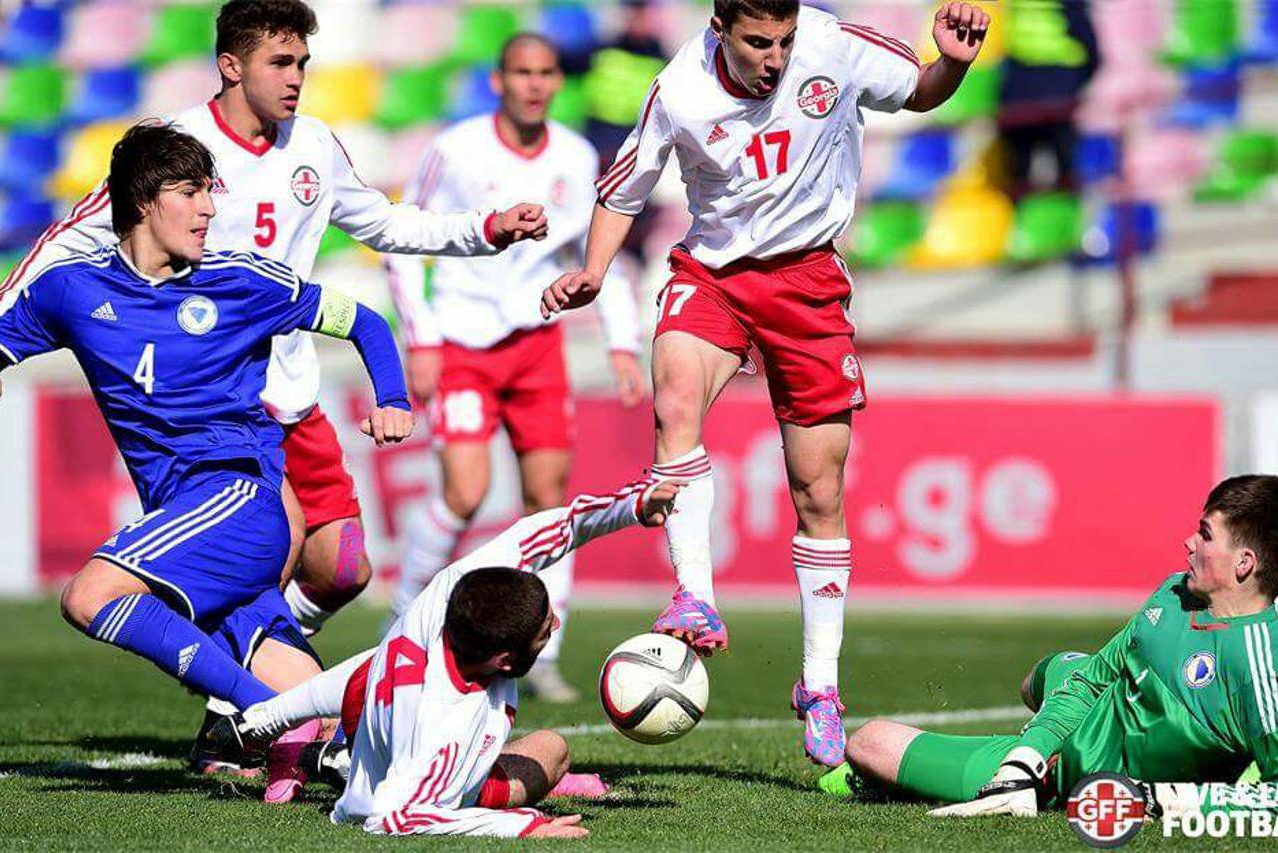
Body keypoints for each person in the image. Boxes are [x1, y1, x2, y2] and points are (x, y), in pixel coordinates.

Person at [0, 0, 546, 772]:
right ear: (231, 65)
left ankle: (248, 706)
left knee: (340, 563)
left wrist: (478, 231)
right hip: (219, 406)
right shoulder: (168, 151)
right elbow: (71, 243)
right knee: (250, 589)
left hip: (277, 401)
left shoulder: (311, 151)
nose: (297, 80)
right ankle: (367, 737)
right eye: (281, 63)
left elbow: (384, 230)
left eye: (303, 64)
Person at [540, 0, 990, 765]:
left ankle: (818, 686)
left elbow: (916, 91)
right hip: (712, 274)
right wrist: (592, 268)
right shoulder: (679, 87)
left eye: (782, 41)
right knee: (674, 399)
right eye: (757, 43)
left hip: (808, 284)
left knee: (818, 492)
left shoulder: (832, 44)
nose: (775, 58)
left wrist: (949, 64)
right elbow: (623, 187)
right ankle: (694, 594)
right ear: (720, 32)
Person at [0, 123, 413, 800]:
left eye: (208, 192)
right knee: (311, 694)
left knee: (90, 596)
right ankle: (448, 758)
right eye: (190, 192)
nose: (209, 210)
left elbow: (363, 319)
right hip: (186, 510)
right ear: (140, 200)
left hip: (239, 497)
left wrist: (392, 397)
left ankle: (263, 720)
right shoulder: (68, 291)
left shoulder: (241, 280)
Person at [384, 32, 644, 703]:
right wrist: (421, 337)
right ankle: (400, 621)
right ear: (498, 81)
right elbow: (404, 241)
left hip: (536, 344)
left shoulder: (576, 154)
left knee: (548, 500)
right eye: (521, 72)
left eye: (546, 72)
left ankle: (546, 651)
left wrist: (622, 340)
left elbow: (593, 252)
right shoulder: (457, 150)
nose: (534, 84)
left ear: (560, 81)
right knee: (465, 493)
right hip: (465, 344)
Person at [231, 476, 683, 835]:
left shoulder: (452, 593)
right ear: (504, 661)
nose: (557, 627)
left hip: (368, 705)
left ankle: (322, 752)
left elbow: (541, 533)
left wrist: (631, 506)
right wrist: (523, 827)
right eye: (546, 632)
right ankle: (329, 761)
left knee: (380, 674)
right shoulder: (446, 725)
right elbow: (391, 818)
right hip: (395, 778)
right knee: (552, 753)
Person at [824, 475, 1278, 820]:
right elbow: (1096, 676)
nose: (1188, 541)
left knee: (867, 743)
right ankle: (1028, 742)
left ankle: (897, 781)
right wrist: (1025, 759)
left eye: (1205, 534)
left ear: (1244, 562)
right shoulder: (1174, 593)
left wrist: (1157, 798)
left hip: (1070, 776)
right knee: (1048, 674)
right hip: (1070, 731)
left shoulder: (1262, 668)